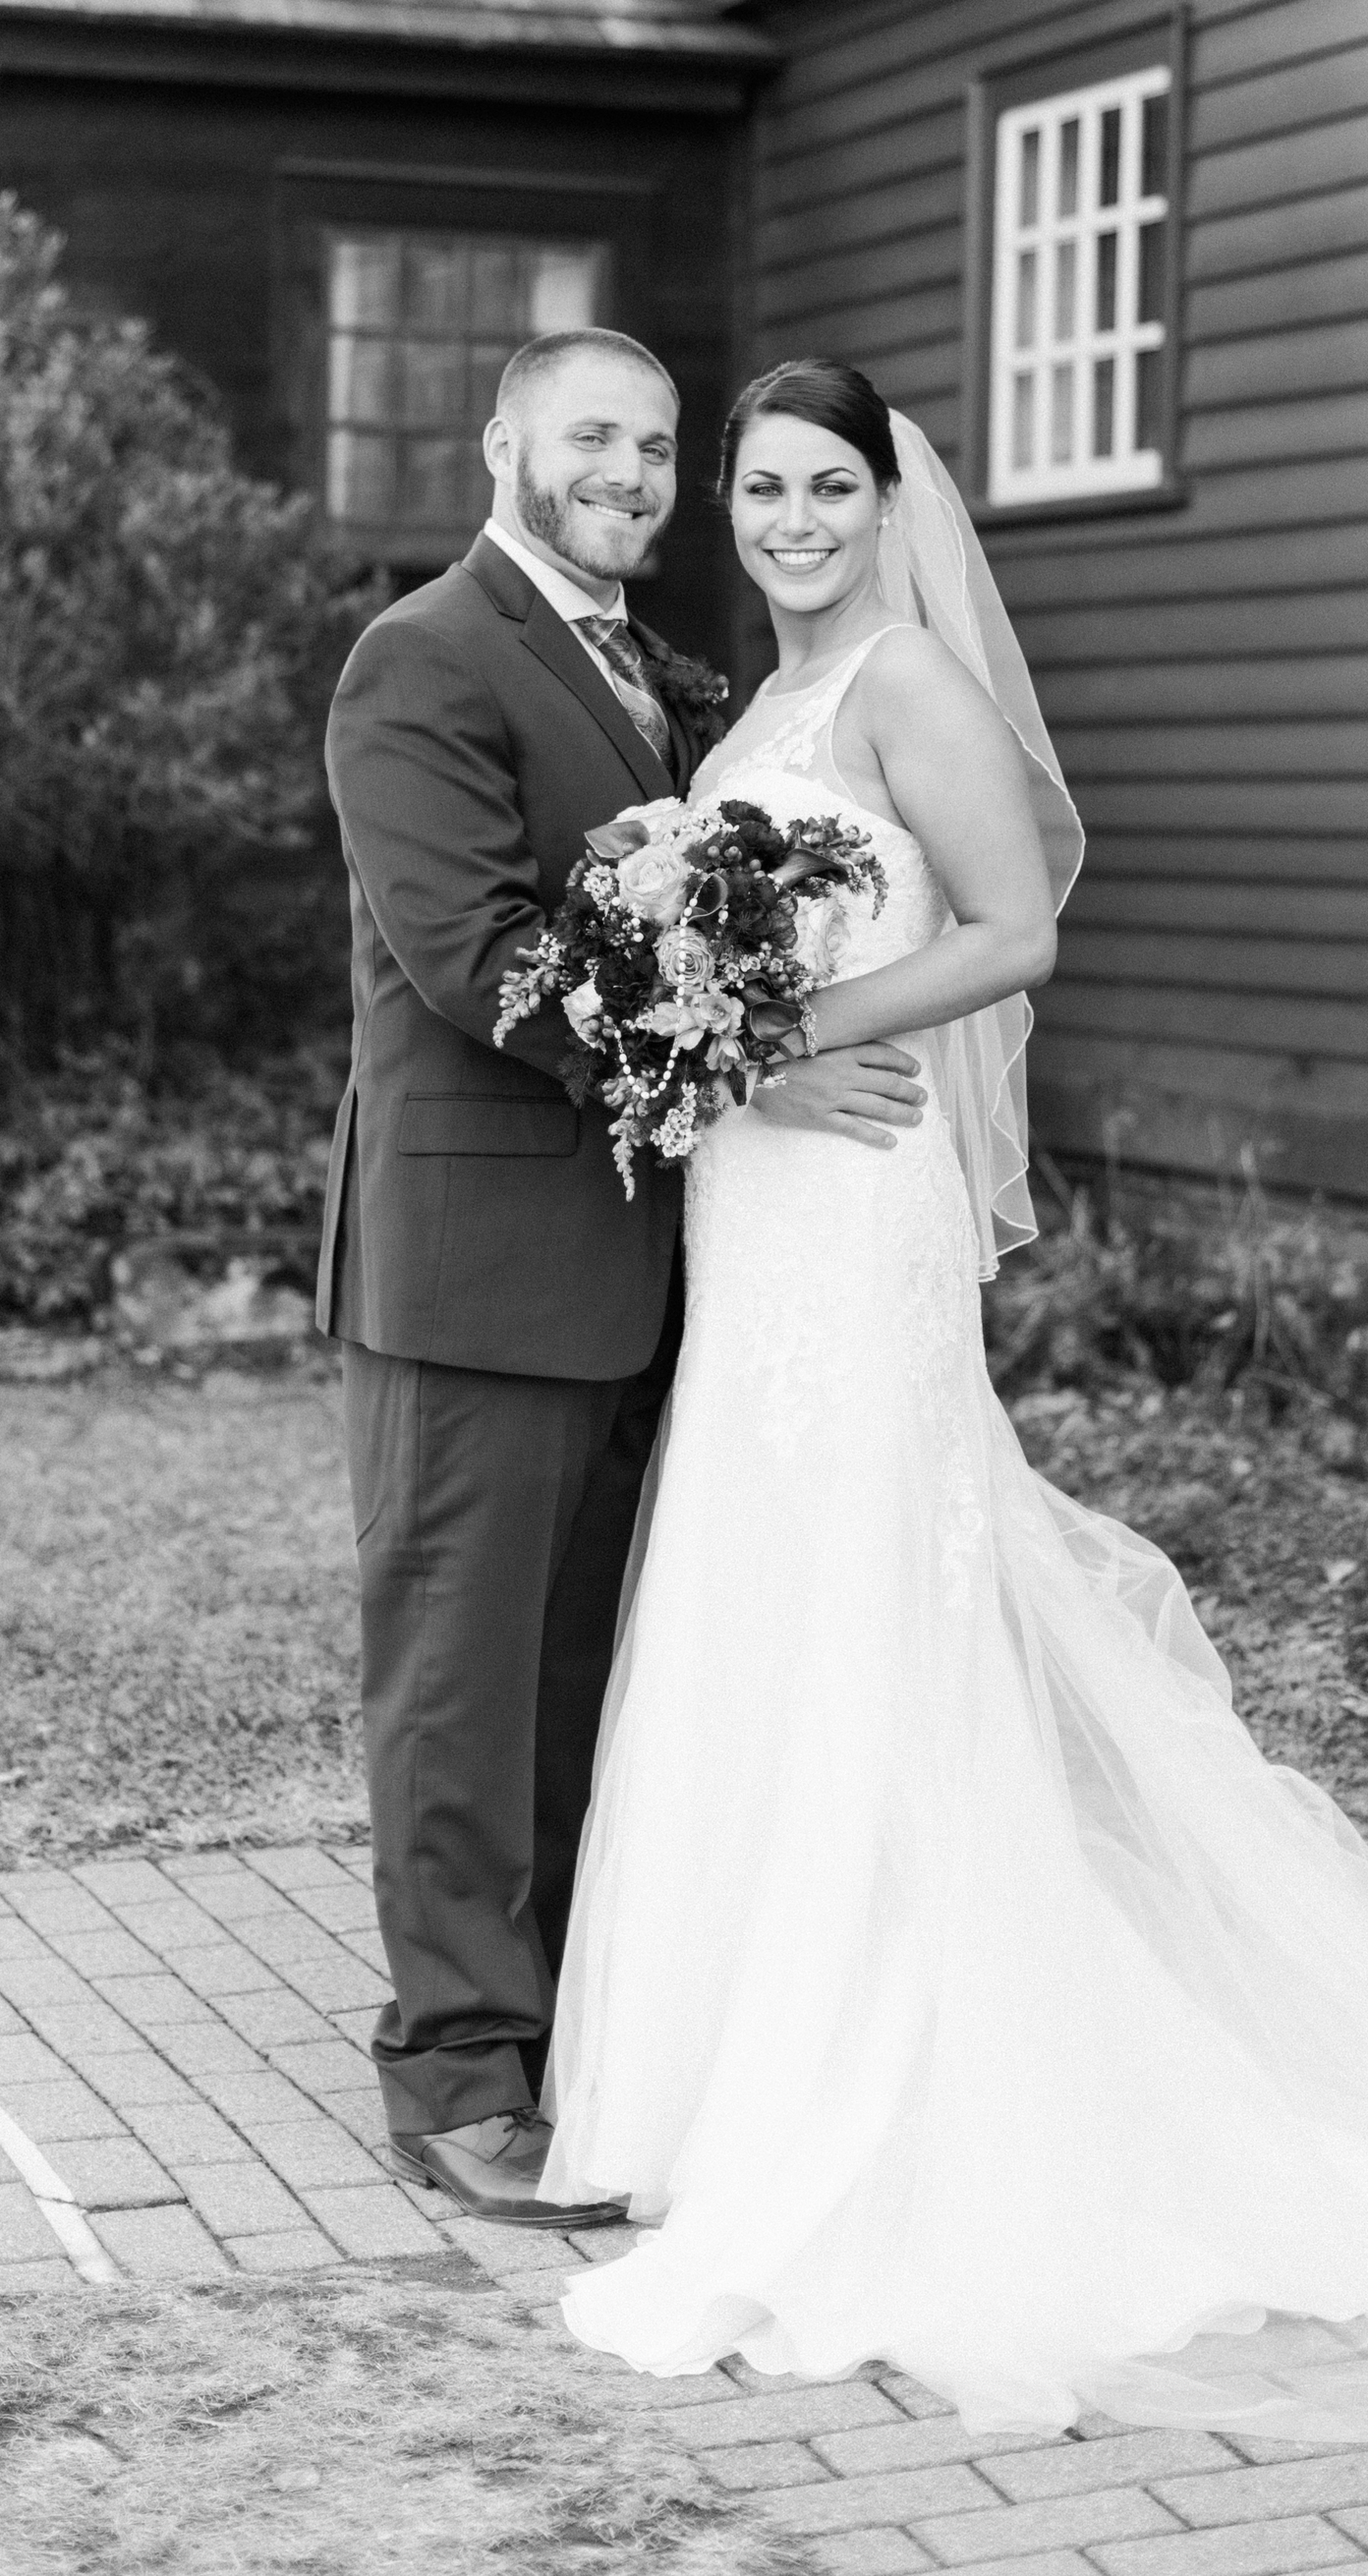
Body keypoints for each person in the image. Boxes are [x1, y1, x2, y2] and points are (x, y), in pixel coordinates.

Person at [539, 354, 1368, 2435]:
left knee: (873, 1593)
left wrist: (792, 1021)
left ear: (888, 507)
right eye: (758, 487)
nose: (788, 519)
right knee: (758, 1595)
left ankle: (894, 2112)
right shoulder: (756, 715)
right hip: (755, 1205)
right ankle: (733, 2091)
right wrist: (719, 1042)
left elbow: (1021, 924)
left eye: (824, 488)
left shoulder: (898, 687)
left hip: (852, 1204)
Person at [315, 327, 925, 2227]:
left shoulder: (669, 683)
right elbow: (478, 954)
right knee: (459, 1681)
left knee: (584, 1677)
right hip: (476, 1263)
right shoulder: (421, 658)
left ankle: (578, 2028)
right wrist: (760, 1059)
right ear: (502, 440)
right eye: (595, 436)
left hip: (657, 1267)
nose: (633, 474)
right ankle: (456, 2074)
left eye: (660, 448)